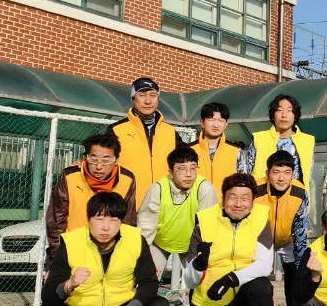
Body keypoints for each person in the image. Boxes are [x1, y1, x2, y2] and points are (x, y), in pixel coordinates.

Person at [28, 192, 169, 306]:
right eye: (99, 218)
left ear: (121, 221)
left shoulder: (135, 239)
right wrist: (69, 284)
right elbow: (49, 296)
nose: (105, 227)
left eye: (113, 220)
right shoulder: (71, 242)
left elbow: (149, 282)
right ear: (89, 219)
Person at [181, 173, 275, 306]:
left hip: (243, 292)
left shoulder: (260, 219)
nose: (239, 204)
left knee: (262, 287)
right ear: (223, 198)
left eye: (245, 198)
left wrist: (232, 278)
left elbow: (265, 265)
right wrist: (198, 265)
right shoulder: (204, 222)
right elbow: (188, 280)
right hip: (212, 296)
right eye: (233, 197)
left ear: (253, 201)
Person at [137, 146, 217, 304]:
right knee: (146, 278)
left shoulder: (205, 188)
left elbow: (206, 230)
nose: (188, 174)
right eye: (181, 169)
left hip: (191, 243)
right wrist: (142, 260)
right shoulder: (157, 189)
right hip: (160, 242)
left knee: (202, 279)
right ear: (170, 172)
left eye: (193, 168)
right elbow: (145, 228)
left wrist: (200, 261)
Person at [45, 133, 137, 261]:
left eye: (106, 160)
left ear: (116, 160)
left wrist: (124, 256)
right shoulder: (70, 176)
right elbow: (56, 219)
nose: (99, 166)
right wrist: (58, 257)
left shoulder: (127, 179)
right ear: (86, 158)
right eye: (93, 159)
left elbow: (128, 221)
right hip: (73, 251)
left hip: (111, 254)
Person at [256, 150, 311, 306]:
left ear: (292, 173)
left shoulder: (300, 192)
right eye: (276, 172)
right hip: (261, 239)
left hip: (288, 239)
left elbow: (301, 229)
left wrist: (300, 265)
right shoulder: (256, 189)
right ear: (267, 173)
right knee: (257, 282)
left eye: (287, 172)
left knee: (296, 281)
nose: (281, 177)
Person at [109, 77, 184, 208]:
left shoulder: (170, 131)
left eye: (153, 95)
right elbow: (100, 158)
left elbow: (186, 160)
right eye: (142, 95)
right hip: (128, 205)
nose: (148, 101)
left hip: (164, 206)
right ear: (133, 99)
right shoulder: (116, 130)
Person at [241, 93, 316, 188]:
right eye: (279, 110)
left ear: (295, 115)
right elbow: (247, 171)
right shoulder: (259, 139)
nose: (284, 115)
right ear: (273, 115)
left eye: (289, 110)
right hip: (262, 196)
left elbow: (308, 174)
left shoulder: (307, 141)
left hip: (295, 197)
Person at [193, 101, 242, 194]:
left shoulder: (236, 151)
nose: (216, 125)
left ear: (226, 124)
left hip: (225, 205)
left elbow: (242, 183)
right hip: (196, 206)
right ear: (202, 122)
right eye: (211, 120)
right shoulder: (190, 150)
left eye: (221, 120)